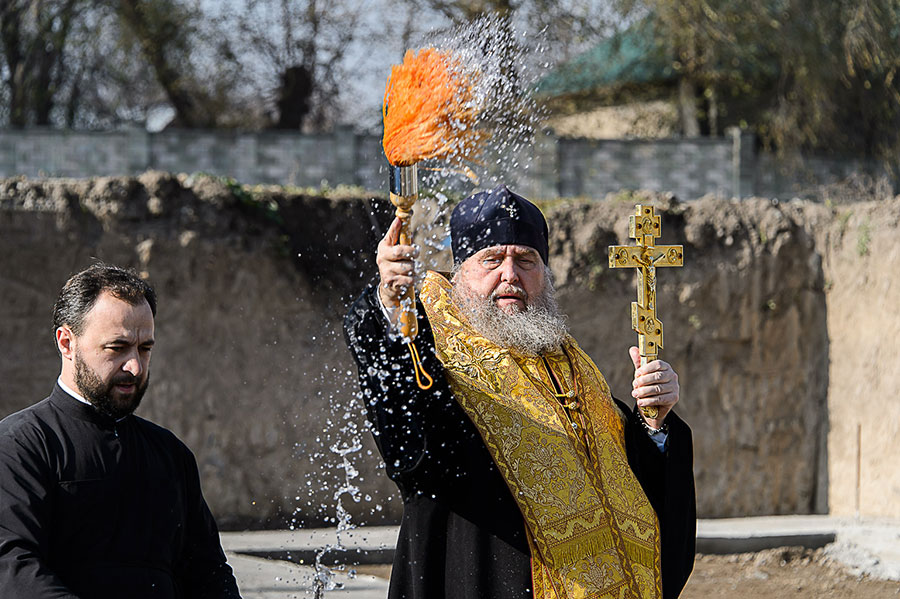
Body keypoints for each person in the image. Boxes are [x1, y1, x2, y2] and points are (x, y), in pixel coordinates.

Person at [345, 185, 696, 599]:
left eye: (526, 260)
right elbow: (409, 446)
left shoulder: (573, 368)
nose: (510, 274)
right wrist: (390, 302)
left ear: (545, 274)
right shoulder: (431, 352)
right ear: (460, 273)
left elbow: (631, 487)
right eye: (491, 259)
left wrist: (653, 424)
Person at [0, 263, 242, 599]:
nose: (135, 367)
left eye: (145, 349)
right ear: (67, 343)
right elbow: (13, 569)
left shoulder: (170, 454)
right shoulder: (20, 447)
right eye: (117, 348)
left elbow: (208, 574)